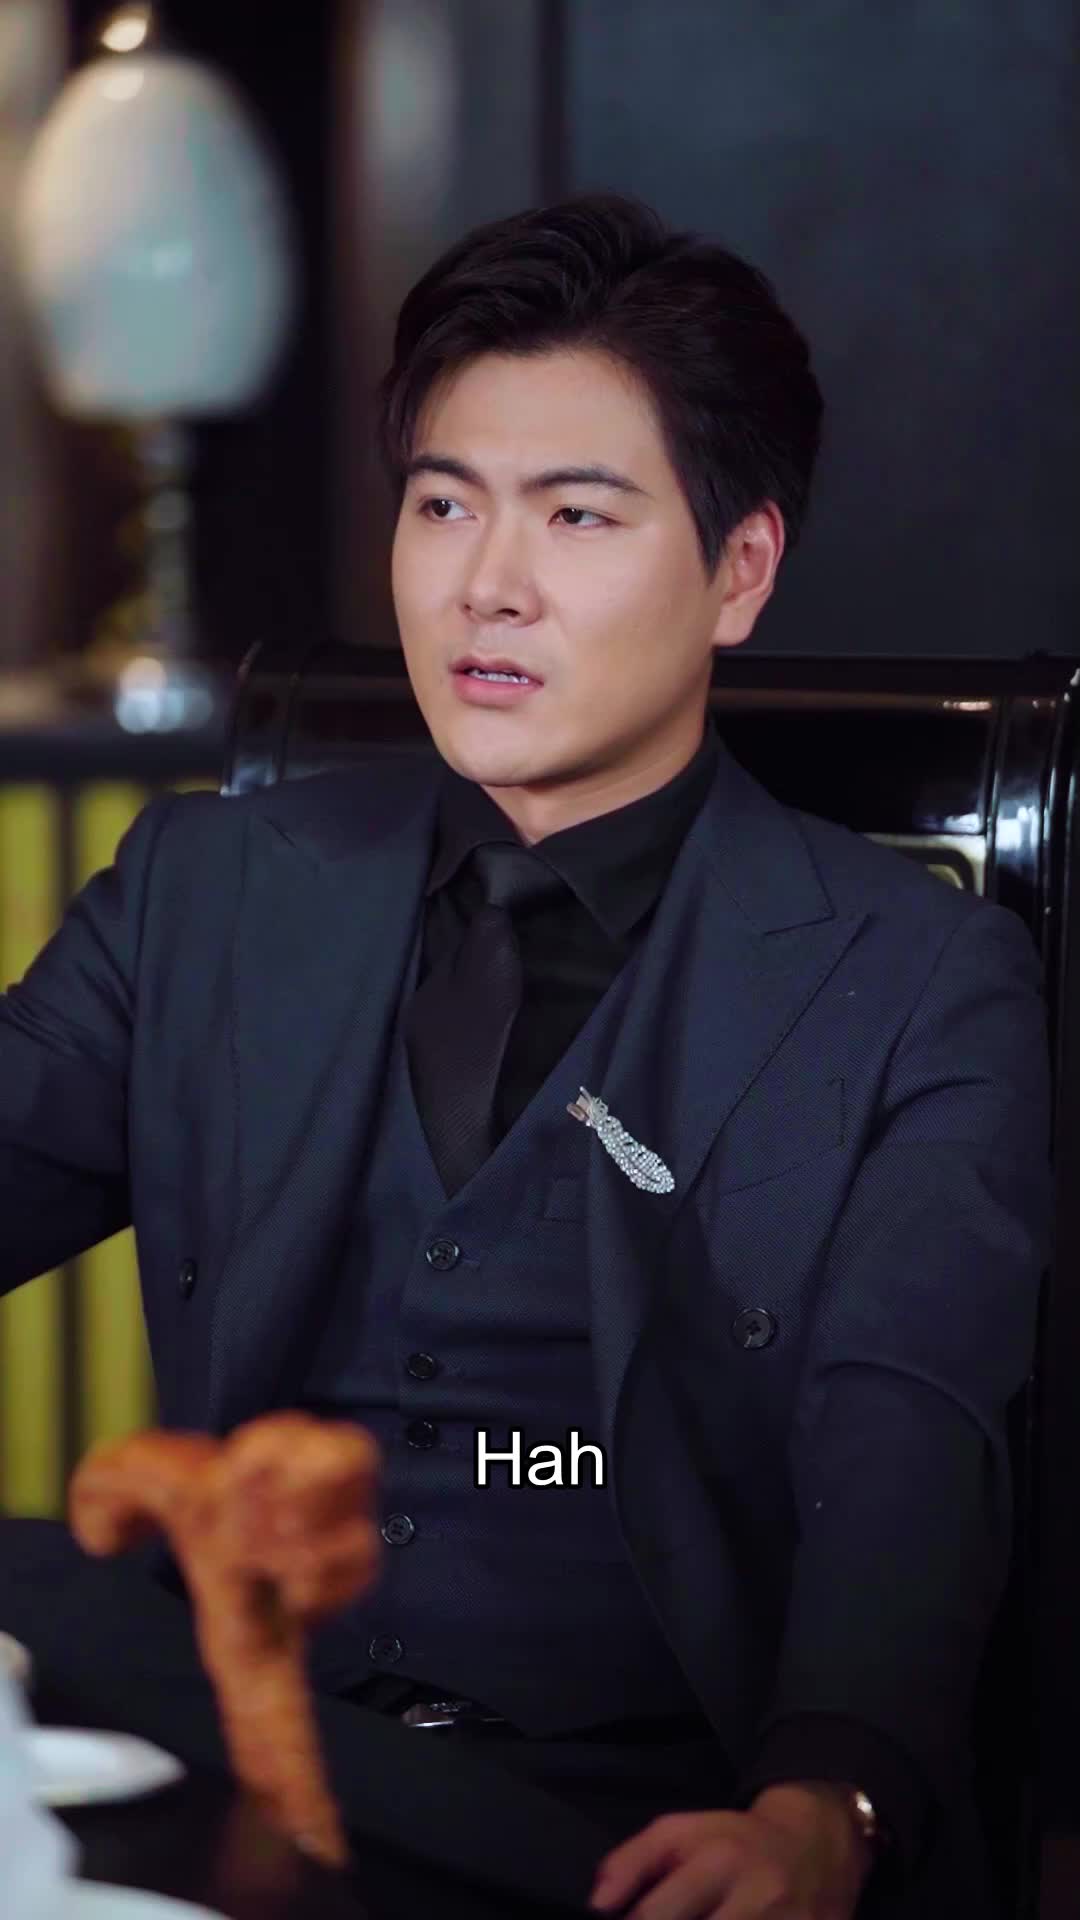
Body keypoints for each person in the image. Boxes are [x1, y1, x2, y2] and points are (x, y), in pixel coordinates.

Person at [0, 193, 1051, 1920]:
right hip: (228, 1748)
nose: (486, 584)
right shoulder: (210, 891)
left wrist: (828, 1797)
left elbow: (910, 1440)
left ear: (738, 572)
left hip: (629, 1819)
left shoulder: (918, 977)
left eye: (575, 514)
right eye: (443, 504)